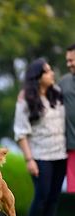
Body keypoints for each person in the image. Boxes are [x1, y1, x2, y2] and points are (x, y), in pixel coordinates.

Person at [13, 58, 67, 216]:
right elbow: (20, 133)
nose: (52, 74)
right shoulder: (25, 99)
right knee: (41, 195)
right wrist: (29, 160)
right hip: (39, 155)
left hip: (60, 154)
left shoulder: (57, 94)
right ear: (37, 76)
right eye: (47, 71)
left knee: (53, 196)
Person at [58, 44, 75, 193]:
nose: (69, 64)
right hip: (71, 146)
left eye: (72, 60)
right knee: (73, 190)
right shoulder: (64, 82)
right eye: (67, 60)